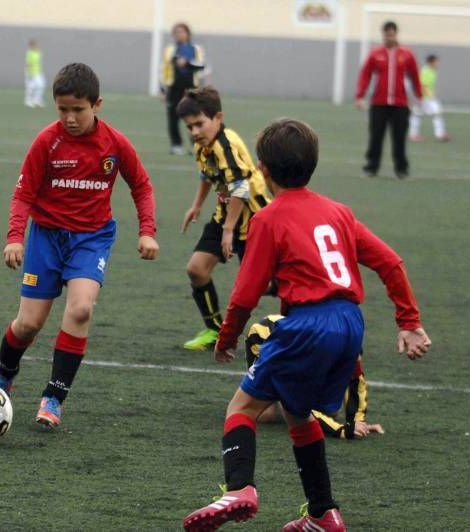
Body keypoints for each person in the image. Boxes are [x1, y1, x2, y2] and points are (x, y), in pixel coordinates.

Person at [182, 118, 431, 532]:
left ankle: (239, 487)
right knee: (298, 411)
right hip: (351, 325)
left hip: (308, 325)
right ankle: (322, 513)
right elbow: (390, 262)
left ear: (263, 168)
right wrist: (409, 322)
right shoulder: (340, 213)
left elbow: (245, 295)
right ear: (313, 164)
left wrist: (226, 338)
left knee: (240, 407)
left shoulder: (269, 219)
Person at [0, 62, 159, 428]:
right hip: (46, 238)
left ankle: (53, 396)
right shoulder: (46, 142)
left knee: (80, 309)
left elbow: (141, 185)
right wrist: (14, 238)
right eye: (62, 109)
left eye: (77, 110)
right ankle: (4, 373)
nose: (69, 118)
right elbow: (22, 196)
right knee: (28, 324)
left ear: (96, 105)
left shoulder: (114, 144)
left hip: (92, 238)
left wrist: (147, 230)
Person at [177, 87, 271, 351]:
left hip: (254, 218)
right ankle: (215, 330)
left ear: (218, 117)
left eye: (199, 124)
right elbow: (208, 175)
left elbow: (240, 186)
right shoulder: (202, 144)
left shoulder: (225, 144)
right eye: (189, 127)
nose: (194, 132)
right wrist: (196, 206)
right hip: (227, 214)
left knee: (261, 285)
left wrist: (228, 230)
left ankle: (307, 323)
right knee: (196, 269)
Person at [246, 315, 384, 439]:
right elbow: (300, 401)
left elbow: (355, 381)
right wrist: (341, 430)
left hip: (295, 345)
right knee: (267, 414)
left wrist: (357, 421)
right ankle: (251, 396)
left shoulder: (351, 344)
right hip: (263, 337)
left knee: (330, 411)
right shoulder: (312, 347)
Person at [356, 21, 422, 179]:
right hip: (379, 103)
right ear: (383, 35)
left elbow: (414, 75)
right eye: (386, 34)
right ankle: (371, 167)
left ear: (396, 34)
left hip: (400, 104)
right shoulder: (375, 54)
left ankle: (401, 169)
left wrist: (419, 96)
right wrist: (360, 96)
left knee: (399, 138)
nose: (389, 37)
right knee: (376, 137)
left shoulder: (406, 54)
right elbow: (365, 75)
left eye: (392, 34)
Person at [161, 23, 206, 155]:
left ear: (188, 33)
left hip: (191, 88)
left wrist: (187, 62)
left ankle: (195, 145)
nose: (179, 35)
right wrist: (163, 89)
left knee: (193, 116)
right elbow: (164, 69)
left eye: (182, 32)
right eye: (176, 32)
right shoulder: (170, 50)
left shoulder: (196, 49)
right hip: (174, 87)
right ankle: (176, 145)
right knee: (173, 117)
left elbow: (201, 65)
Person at [409, 54, 449, 143]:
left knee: (418, 115)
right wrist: (421, 98)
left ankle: (414, 134)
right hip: (425, 98)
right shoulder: (426, 71)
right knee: (434, 113)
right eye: (436, 61)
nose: (437, 63)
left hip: (427, 98)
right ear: (431, 62)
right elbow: (422, 85)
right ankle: (439, 134)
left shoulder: (432, 71)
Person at [24, 39, 45, 108]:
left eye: (35, 45)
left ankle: (37, 100)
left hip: (38, 72)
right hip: (31, 73)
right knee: (31, 87)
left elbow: (38, 62)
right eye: (33, 45)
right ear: (30, 46)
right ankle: (28, 101)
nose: (35, 46)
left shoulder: (38, 53)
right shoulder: (29, 53)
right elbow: (28, 63)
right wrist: (28, 73)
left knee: (41, 85)